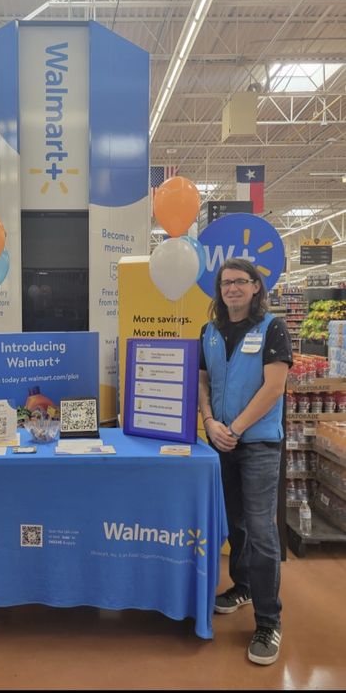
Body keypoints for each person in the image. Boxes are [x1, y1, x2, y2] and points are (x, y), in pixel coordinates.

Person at [198, 258, 292, 666]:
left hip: (257, 445)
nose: (231, 288)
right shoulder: (209, 332)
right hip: (220, 443)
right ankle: (243, 586)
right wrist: (208, 421)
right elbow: (202, 382)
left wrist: (234, 428)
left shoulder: (273, 328)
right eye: (225, 283)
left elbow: (274, 387)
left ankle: (269, 621)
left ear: (255, 287)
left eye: (240, 281)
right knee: (234, 523)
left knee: (260, 530)